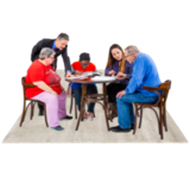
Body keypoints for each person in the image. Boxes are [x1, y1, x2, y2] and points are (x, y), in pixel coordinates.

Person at [110, 44, 163, 133]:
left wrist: (127, 91)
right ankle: (131, 123)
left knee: (120, 97)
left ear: (133, 55)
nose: (126, 59)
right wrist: (128, 91)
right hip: (154, 92)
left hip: (150, 95)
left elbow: (136, 79)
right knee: (126, 96)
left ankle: (124, 126)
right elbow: (138, 78)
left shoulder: (140, 60)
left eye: (126, 57)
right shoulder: (145, 56)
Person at [25, 48, 72, 131]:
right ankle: (54, 124)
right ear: (46, 57)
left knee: (62, 93)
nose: (54, 59)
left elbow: (54, 78)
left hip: (46, 88)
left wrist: (60, 87)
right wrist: (52, 91)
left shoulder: (48, 65)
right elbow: (38, 83)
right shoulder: (36, 66)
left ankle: (61, 115)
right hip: (36, 91)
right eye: (52, 57)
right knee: (52, 98)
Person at [30, 32, 73, 116]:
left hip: (51, 66)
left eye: (66, 44)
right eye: (63, 44)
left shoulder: (64, 47)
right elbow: (34, 50)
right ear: (57, 40)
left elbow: (65, 58)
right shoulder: (45, 42)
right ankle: (42, 108)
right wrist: (33, 63)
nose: (64, 46)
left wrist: (68, 71)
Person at [105, 43, 134, 120]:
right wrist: (109, 72)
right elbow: (107, 70)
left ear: (122, 51)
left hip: (127, 84)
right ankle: (114, 110)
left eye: (118, 52)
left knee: (114, 91)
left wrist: (125, 75)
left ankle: (119, 110)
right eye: (114, 54)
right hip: (118, 83)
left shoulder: (129, 61)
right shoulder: (115, 62)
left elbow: (134, 76)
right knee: (107, 88)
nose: (117, 55)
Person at [68, 52, 98, 121]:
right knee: (77, 94)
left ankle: (90, 111)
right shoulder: (73, 64)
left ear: (89, 62)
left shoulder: (93, 65)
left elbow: (95, 77)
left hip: (89, 84)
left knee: (94, 93)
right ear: (79, 61)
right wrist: (69, 86)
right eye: (83, 64)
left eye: (86, 64)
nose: (85, 66)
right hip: (77, 84)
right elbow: (69, 76)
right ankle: (82, 111)